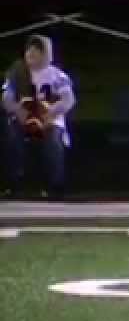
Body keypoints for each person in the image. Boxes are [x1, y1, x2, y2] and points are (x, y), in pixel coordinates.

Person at [2, 35, 75, 199]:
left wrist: (51, 113)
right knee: (11, 137)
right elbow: (6, 98)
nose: (30, 54)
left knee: (53, 141)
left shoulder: (58, 75)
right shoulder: (16, 73)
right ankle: (13, 184)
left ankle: (55, 186)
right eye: (28, 51)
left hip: (50, 119)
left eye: (35, 52)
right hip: (23, 118)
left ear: (46, 54)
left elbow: (68, 99)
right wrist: (18, 111)